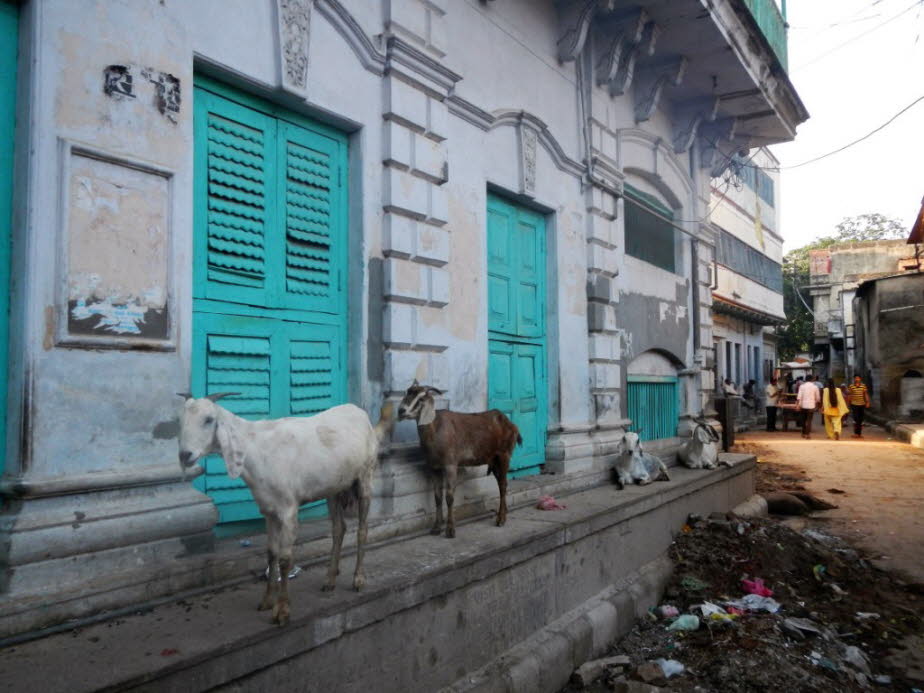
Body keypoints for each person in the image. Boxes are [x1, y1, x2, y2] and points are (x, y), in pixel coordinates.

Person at [847, 374, 871, 438]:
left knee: (860, 419)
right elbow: (849, 395)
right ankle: (856, 433)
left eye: (858, 378)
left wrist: (867, 402)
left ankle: (859, 433)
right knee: (856, 419)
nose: (857, 379)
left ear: (860, 379)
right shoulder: (851, 386)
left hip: (862, 404)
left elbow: (865, 394)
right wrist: (848, 404)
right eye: (856, 378)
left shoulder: (863, 386)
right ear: (854, 379)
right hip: (854, 404)